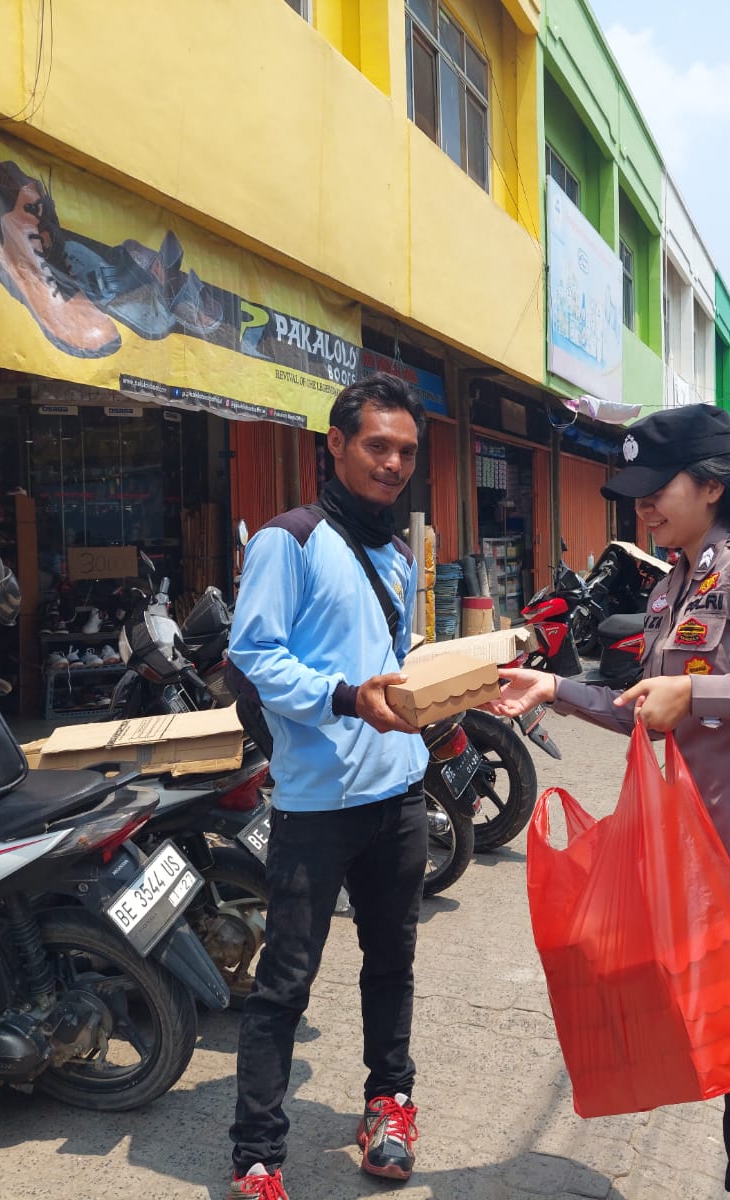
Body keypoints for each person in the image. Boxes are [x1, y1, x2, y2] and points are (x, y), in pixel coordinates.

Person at [490, 405, 730, 1200]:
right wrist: (555, 688)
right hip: (726, 873)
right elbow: (648, 704)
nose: (641, 507)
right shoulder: (676, 586)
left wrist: (697, 693)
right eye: (632, 497)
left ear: (710, 485)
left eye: (653, 490)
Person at [225, 374, 431, 1200]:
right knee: (285, 982)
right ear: (336, 445)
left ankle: (390, 1104)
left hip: (401, 794)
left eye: (406, 451)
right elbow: (257, 654)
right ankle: (257, 1153)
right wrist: (344, 698)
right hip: (317, 803)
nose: (392, 463)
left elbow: (399, 658)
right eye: (377, 445)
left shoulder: (396, 550)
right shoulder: (291, 538)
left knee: (393, 963)